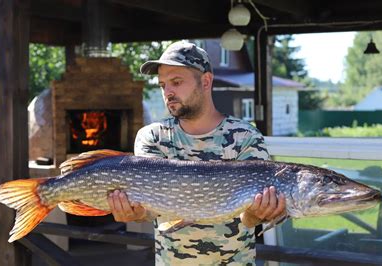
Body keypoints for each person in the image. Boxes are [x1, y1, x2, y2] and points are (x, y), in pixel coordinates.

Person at [107, 41, 286, 265]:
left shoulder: (245, 136)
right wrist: (132, 213)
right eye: (163, 85)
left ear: (206, 81)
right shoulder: (152, 137)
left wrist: (262, 212)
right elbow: (149, 209)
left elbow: (249, 219)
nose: (168, 92)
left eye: (176, 82)